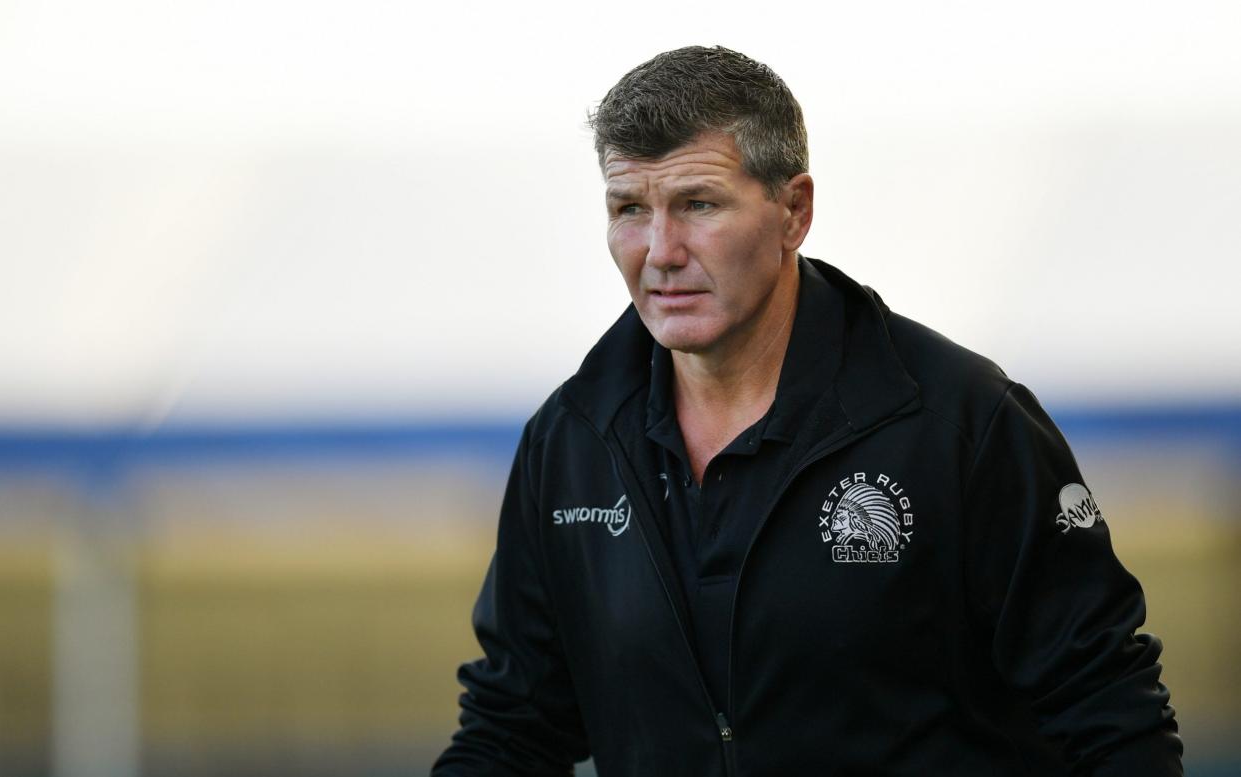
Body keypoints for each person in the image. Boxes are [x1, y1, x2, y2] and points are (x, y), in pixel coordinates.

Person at [432, 46, 1182, 776]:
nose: (659, 250)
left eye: (698, 204)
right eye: (631, 208)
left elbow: (1112, 720)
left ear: (795, 210)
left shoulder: (962, 426)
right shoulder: (572, 444)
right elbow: (511, 731)